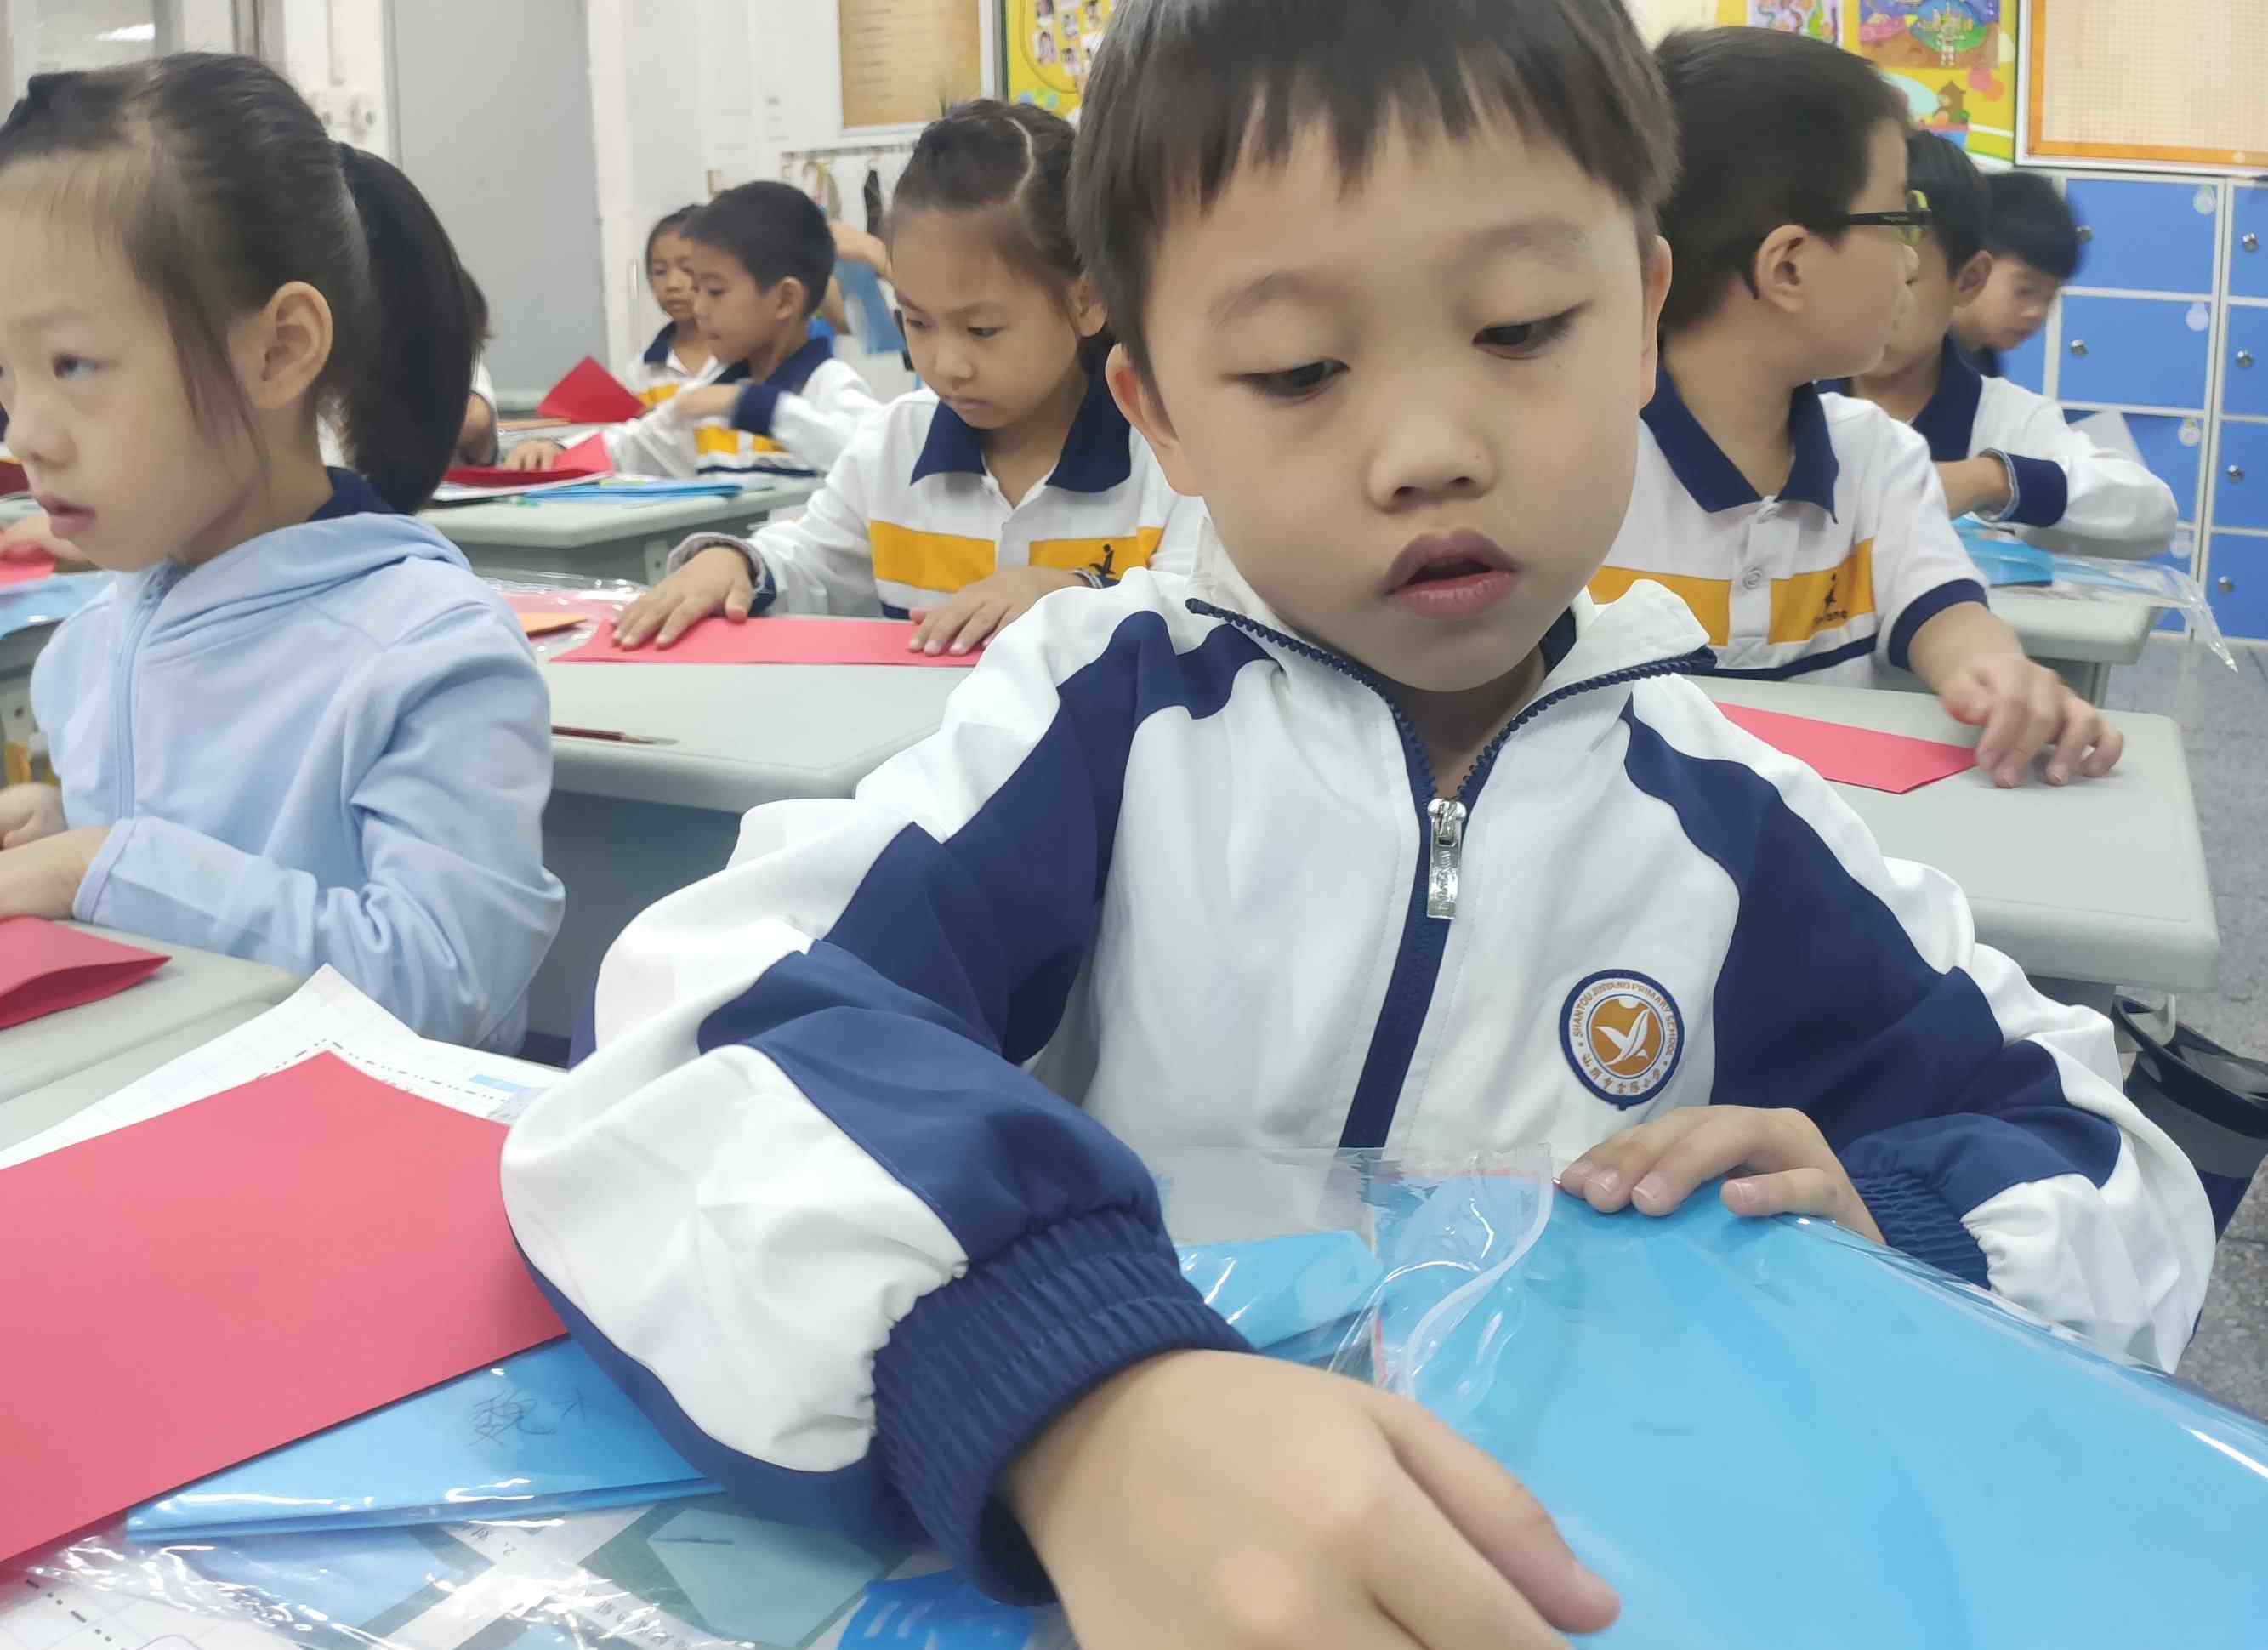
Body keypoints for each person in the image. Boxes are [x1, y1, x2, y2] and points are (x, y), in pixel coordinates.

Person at [499, 4, 2213, 1647]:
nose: (1426, 451)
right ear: (1161, 414)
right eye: (1296, 368)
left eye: (1520, 330)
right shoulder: (1101, 721)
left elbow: (2106, 1168)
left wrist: (1896, 1221)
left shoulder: (1723, 812)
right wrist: (1075, 1398)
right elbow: (682, 1060)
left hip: (1569, 1575)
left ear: (1639, 316)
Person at [0, 54, 562, 1050]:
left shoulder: (427, 651)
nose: (26, 436)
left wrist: (98, 867)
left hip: (363, 1140)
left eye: (72, 363)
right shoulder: (91, 646)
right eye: (5, 377)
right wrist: (62, 825)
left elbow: (445, 983)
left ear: (278, 349)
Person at [1598, 27, 2119, 790]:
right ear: (1788, 267)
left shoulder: (1877, 457)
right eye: (1897, 220)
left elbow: (1946, 614)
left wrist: (1998, 671)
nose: (1910, 261)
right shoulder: (1586, 468)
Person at [614, 100, 1202, 659]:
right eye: (917, 323)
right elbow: (812, 562)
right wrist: (736, 563)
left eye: (982, 329)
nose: (946, 364)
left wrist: (1072, 595)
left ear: (1087, 301)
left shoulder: (1169, 451)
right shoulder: (896, 442)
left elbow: (1202, 612)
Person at [1844, 134, 2176, 558]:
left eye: (1907, 280)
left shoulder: (2007, 418)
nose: (1870, 304)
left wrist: (1991, 479)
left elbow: (2152, 511)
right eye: (1852, 278)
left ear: (1968, 280)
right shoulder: (1790, 400)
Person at [507, 183, 879, 480]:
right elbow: (631, 445)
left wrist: (751, 406)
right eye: (697, 288)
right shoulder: (706, 396)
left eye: (715, 291)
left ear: (785, 300)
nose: (699, 307)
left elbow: (875, 460)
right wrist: (555, 450)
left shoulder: (830, 387)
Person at [1955, 169, 2083, 379]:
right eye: (2025, 290)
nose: (2037, 312)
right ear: (1972, 272)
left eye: (2050, 297)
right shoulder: (1926, 367)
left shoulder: (1981, 356)